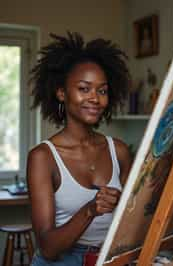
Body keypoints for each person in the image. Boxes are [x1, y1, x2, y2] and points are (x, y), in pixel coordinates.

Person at [27, 31, 133, 266]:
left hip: (111, 258)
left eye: (102, 90)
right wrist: (90, 210)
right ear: (62, 93)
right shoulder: (43, 158)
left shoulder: (119, 151)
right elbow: (48, 248)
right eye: (84, 88)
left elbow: (134, 218)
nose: (95, 98)